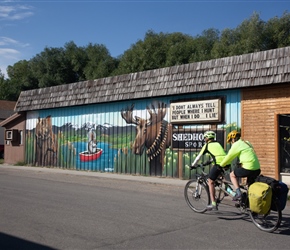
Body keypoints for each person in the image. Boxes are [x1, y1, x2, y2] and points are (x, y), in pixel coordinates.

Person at [219, 130, 261, 201]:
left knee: (232, 175)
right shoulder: (247, 143)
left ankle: (239, 194)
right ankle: (250, 203)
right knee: (249, 186)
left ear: (233, 139)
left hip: (248, 168)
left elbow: (229, 157)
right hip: (257, 168)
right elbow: (248, 155)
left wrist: (221, 165)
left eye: (231, 141)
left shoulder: (236, 145)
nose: (231, 143)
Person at [191, 131, 227, 211]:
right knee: (218, 177)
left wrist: (193, 165)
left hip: (218, 163)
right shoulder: (218, 144)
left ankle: (213, 203)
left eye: (205, 138)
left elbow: (199, 157)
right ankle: (226, 190)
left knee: (210, 181)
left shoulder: (207, 145)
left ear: (207, 138)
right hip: (226, 162)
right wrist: (209, 162)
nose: (204, 139)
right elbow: (218, 155)